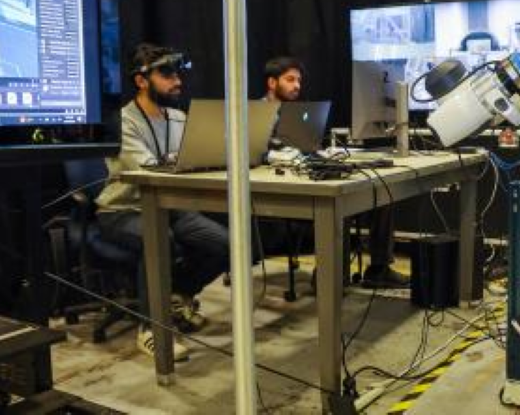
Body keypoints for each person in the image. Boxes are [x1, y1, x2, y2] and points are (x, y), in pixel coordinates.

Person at [95, 43, 230, 361]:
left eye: (177, 73)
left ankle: (178, 294)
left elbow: (193, 160)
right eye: (166, 73)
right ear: (141, 80)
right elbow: (147, 169)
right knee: (160, 239)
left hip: (169, 207)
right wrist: (182, 161)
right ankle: (151, 328)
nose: (177, 80)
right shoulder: (124, 121)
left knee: (230, 244)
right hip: (122, 209)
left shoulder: (180, 117)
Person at [262, 56, 410, 288]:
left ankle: (378, 269)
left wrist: (323, 154)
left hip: (306, 174)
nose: (297, 86)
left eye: (299, 80)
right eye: (290, 80)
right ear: (272, 83)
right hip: (277, 188)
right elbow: (260, 154)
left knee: (383, 195)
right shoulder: (255, 114)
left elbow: (306, 148)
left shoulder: (300, 112)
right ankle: (331, 274)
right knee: (338, 204)